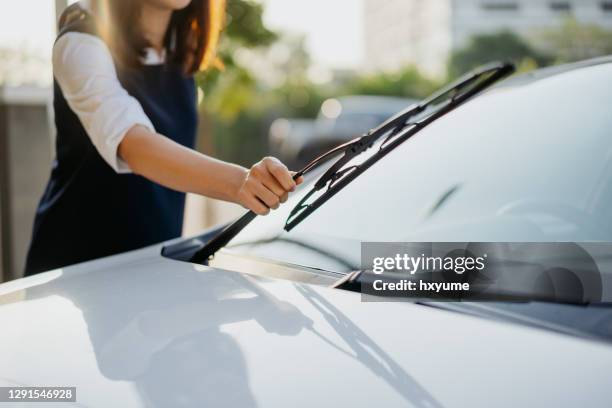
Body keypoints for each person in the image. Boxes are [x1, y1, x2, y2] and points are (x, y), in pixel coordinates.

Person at [25, 0, 302, 276]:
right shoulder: (80, 43)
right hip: (75, 268)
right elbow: (133, 144)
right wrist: (241, 183)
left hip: (153, 262)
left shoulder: (181, 49)